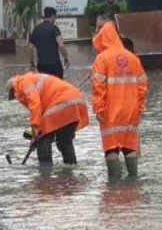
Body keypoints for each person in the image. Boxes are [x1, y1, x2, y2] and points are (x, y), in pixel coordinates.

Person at [91, 21, 148, 178]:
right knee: (129, 145)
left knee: (111, 147)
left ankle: (115, 188)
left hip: (111, 110)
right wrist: (140, 107)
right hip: (131, 109)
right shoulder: (132, 58)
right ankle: (133, 182)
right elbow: (143, 84)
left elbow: (98, 86)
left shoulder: (102, 59)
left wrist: (99, 108)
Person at [9, 72, 90, 166]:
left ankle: (45, 173)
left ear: (13, 89)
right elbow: (41, 110)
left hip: (62, 102)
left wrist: (35, 130)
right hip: (77, 101)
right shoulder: (32, 79)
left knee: (43, 139)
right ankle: (71, 170)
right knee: (65, 142)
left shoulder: (23, 83)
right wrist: (35, 132)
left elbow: (35, 105)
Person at [29, 6, 70, 78]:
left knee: (45, 86)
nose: (55, 19)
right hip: (55, 65)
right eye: (55, 17)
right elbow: (61, 45)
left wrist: (32, 62)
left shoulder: (36, 29)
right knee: (57, 86)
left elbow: (30, 47)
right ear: (53, 16)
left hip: (41, 65)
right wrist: (66, 58)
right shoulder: (54, 28)